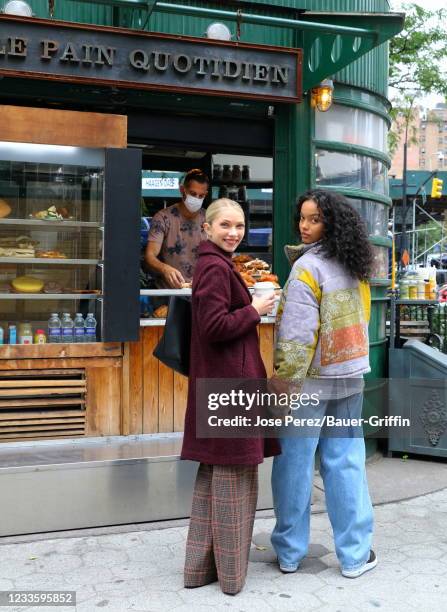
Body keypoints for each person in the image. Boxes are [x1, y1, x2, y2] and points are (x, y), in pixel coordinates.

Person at [270, 189, 377, 579]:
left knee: (295, 464)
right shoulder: (355, 264)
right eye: (302, 217)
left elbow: (297, 337)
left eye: (314, 219)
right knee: (345, 462)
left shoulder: (306, 270)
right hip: (350, 376)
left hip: (311, 381)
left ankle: (289, 552)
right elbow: (363, 320)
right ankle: (354, 555)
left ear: (330, 222)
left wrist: (283, 383)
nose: (304, 225)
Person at [181, 198, 280, 595]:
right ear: (207, 228)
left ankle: (200, 570)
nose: (233, 232)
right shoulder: (214, 268)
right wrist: (255, 308)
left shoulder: (216, 264)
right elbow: (214, 326)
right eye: (225, 225)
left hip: (224, 387)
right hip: (229, 390)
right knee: (233, 481)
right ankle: (231, 580)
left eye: (239, 225)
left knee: (216, 478)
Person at [145, 169, 209, 288]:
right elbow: (150, 255)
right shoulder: (163, 218)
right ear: (182, 190)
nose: (197, 198)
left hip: (201, 289)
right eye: (193, 194)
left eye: (201, 196)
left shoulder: (209, 219)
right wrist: (164, 269)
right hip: (169, 292)